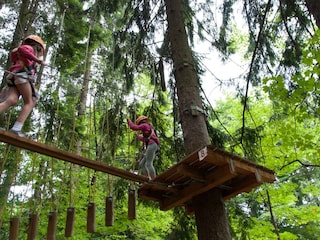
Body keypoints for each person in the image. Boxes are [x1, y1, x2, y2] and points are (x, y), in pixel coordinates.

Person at [0, 35, 46, 137]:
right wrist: (37, 60)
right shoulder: (29, 48)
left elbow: (15, 54)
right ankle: (16, 128)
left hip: (15, 77)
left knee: (12, 100)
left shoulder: (25, 55)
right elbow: (21, 49)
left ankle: (16, 128)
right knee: (30, 101)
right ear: (38, 47)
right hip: (21, 76)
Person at [127, 115, 160, 180]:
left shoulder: (144, 125)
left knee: (148, 164)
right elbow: (145, 139)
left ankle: (154, 179)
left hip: (152, 144)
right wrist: (138, 136)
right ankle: (147, 178)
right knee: (142, 163)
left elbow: (134, 127)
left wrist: (129, 121)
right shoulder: (148, 127)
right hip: (153, 145)